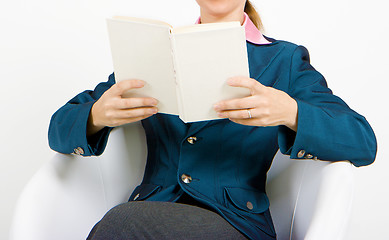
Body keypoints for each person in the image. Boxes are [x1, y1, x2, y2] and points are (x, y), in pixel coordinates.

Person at [48, 0, 377, 239]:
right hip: (153, 207)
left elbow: (362, 140)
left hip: (234, 223)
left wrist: (291, 112)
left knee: (121, 224)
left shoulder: (282, 61)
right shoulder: (153, 51)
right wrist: (95, 116)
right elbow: (58, 128)